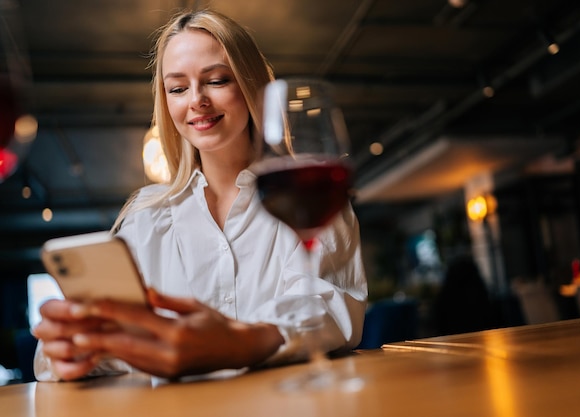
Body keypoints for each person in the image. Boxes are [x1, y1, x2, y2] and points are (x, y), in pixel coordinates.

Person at [32, 8, 367, 381]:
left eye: (218, 80)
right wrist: (69, 348)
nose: (196, 100)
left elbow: (332, 307)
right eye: (177, 88)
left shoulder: (310, 194)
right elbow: (107, 347)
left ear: (255, 86)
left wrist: (240, 343)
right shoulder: (144, 219)